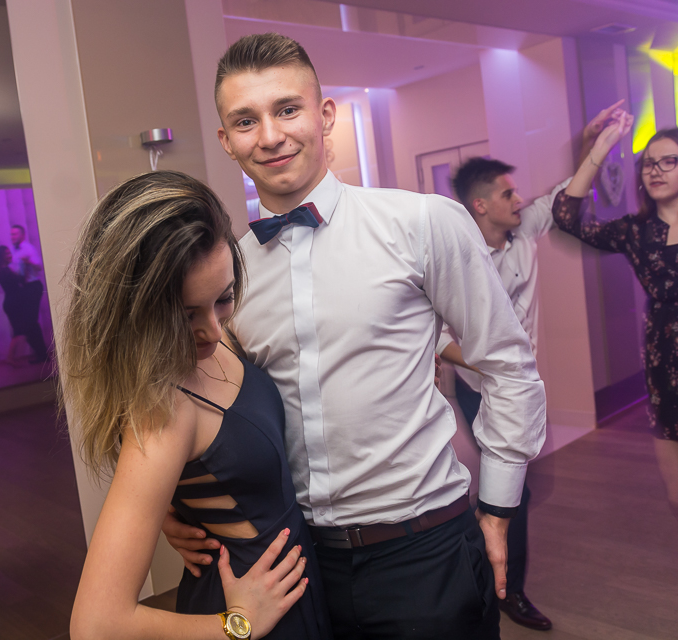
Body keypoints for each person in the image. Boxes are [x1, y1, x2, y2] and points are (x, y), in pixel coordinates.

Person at [164, 33, 546, 639]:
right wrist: (172, 509)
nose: (270, 136)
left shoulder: (420, 223)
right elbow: (207, 401)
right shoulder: (229, 270)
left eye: (287, 109)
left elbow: (506, 364)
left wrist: (498, 510)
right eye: (246, 120)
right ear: (226, 140)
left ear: (325, 116)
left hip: (424, 550)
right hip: (295, 562)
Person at [64, 171, 331, 640]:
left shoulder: (210, 338)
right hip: (247, 608)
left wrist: (178, 505)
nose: (212, 330)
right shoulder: (163, 411)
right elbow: (96, 625)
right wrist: (240, 625)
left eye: (223, 299)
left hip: (287, 586)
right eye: (186, 315)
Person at [437, 102, 621, 631]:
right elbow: (439, 337)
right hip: (478, 390)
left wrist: (591, 145)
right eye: (507, 194)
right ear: (480, 205)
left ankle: (485, 570)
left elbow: (567, 195)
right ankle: (504, 590)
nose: (519, 200)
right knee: (510, 490)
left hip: (521, 388)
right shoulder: (457, 259)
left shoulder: (523, 231)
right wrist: (490, 364)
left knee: (513, 488)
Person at [551, 114, 678, 522]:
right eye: (649, 163)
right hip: (666, 363)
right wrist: (600, 149)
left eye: (669, 161)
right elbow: (566, 217)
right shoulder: (636, 231)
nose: (655, 170)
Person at [0, 246, 47, 367]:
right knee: (20, 331)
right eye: (7, 254)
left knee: (20, 331)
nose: (10, 255)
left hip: (12, 303)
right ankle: (10, 358)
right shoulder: (4, 271)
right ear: (2, 257)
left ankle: (13, 358)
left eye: (10, 253)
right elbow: (20, 280)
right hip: (13, 304)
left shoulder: (3, 270)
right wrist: (26, 265)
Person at [10, 224, 48, 363]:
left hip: (33, 286)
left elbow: (39, 267)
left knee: (30, 322)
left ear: (22, 235)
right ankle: (41, 354)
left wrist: (29, 261)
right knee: (28, 322)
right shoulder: (13, 251)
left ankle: (42, 355)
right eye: (11, 234)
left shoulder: (28, 248)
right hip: (24, 288)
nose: (12, 236)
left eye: (15, 234)